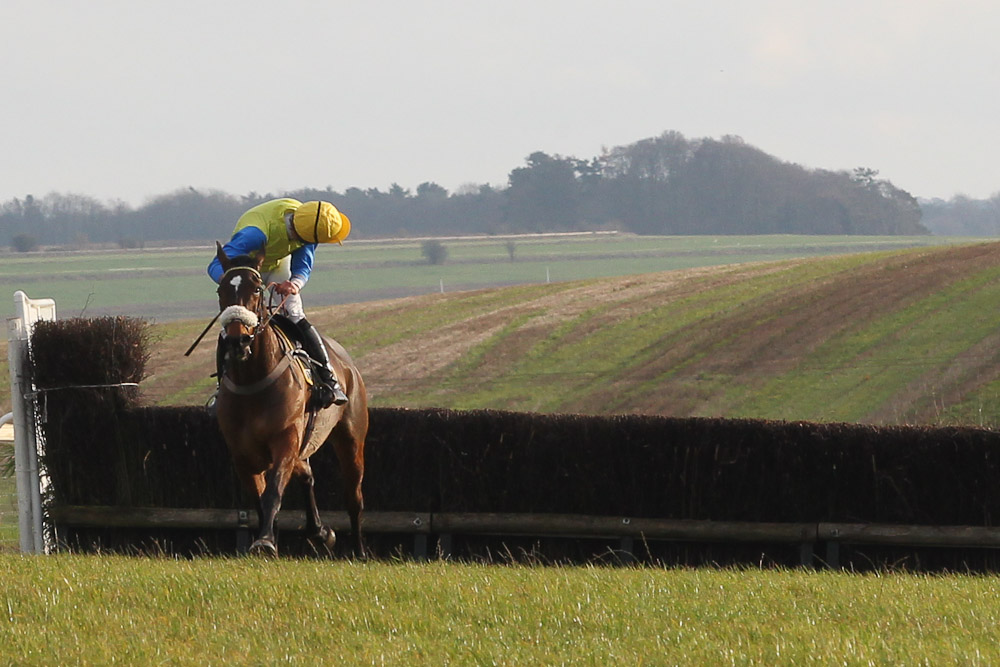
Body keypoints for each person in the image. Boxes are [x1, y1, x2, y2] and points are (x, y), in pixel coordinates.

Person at [207, 198, 351, 408]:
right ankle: (222, 390)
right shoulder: (253, 234)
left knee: (294, 313)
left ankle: (329, 379)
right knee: (235, 319)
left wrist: (294, 284)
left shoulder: (310, 226)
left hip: (275, 265)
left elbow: (303, 265)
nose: (308, 244)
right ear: (296, 227)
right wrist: (233, 284)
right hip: (243, 270)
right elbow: (215, 264)